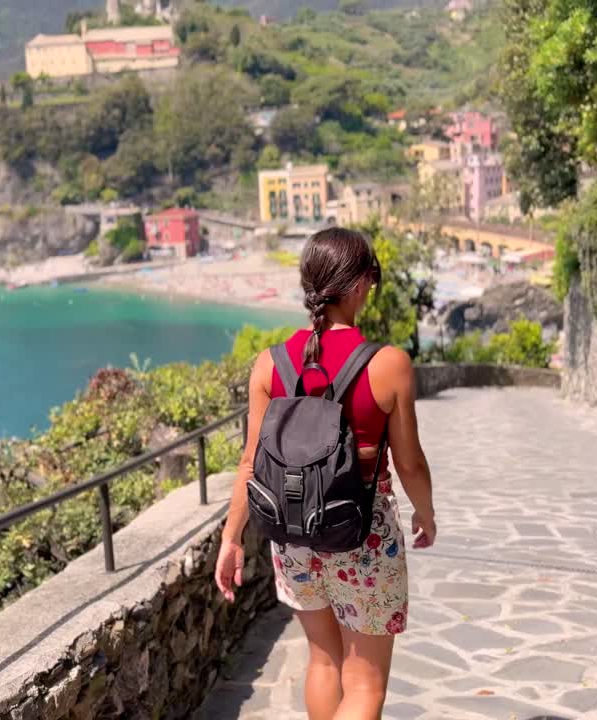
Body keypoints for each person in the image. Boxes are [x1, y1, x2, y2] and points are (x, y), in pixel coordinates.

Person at [215, 227, 436, 720]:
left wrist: (231, 538)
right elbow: (410, 463)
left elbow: (250, 463)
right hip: (363, 535)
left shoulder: (268, 365)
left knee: (323, 659)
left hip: (292, 535)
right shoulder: (388, 364)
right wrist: (426, 513)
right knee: (364, 684)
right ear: (359, 285)